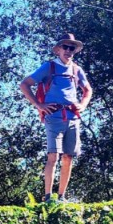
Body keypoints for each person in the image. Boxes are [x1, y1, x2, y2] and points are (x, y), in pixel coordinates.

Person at [19, 33, 92, 201]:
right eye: (65, 47)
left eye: (71, 48)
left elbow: (88, 90)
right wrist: (39, 105)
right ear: (58, 49)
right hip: (53, 116)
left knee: (68, 156)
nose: (68, 51)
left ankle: (61, 196)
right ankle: (48, 196)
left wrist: (83, 104)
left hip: (73, 117)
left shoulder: (76, 69)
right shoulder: (49, 67)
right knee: (54, 155)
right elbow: (24, 84)